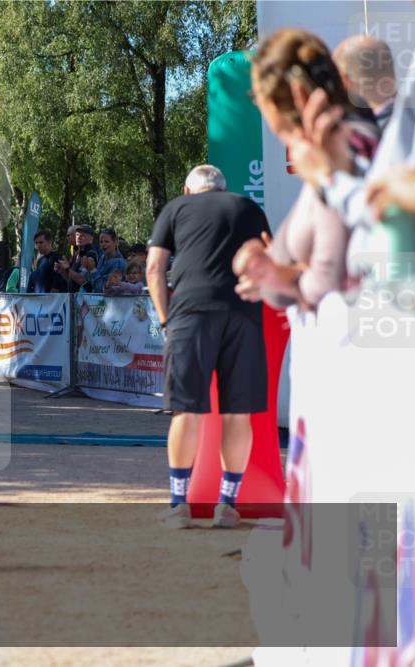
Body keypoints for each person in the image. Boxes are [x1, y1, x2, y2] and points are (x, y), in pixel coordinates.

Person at [146, 164, 271, 529]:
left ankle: (178, 505)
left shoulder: (174, 209)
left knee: (187, 410)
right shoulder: (249, 208)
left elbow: (155, 268)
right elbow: (271, 258)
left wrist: (166, 319)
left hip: (190, 312)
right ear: (223, 188)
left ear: (189, 190)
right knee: (237, 413)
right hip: (244, 314)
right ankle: (227, 505)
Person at [233, 29, 382, 308]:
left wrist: (280, 278)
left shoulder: (336, 147)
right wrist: (274, 259)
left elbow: (330, 279)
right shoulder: (338, 143)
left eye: (258, 99)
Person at [89, 228, 127, 293]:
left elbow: (104, 289)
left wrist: (92, 270)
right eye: (101, 242)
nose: (103, 244)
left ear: (115, 242)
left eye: (107, 241)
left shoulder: (119, 263)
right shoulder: (102, 257)